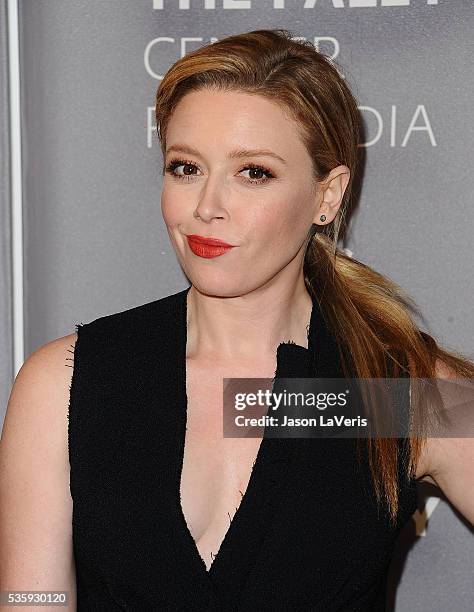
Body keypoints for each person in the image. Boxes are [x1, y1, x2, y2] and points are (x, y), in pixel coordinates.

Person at [1, 28, 473, 612]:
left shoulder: (391, 390)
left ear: (328, 196)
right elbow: (31, 599)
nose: (206, 207)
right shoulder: (68, 382)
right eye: (185, 167)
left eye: (253, 172)